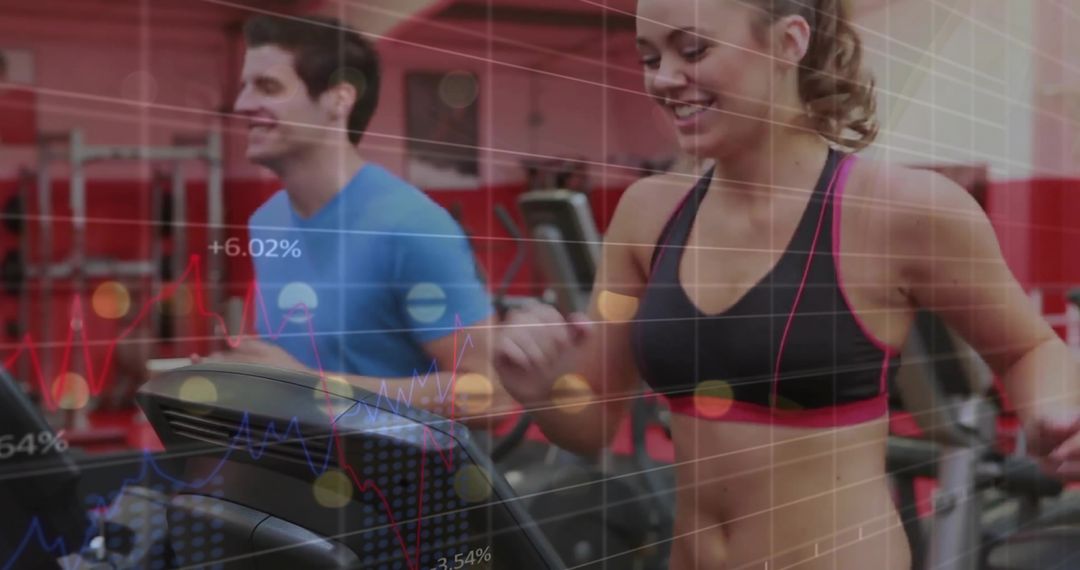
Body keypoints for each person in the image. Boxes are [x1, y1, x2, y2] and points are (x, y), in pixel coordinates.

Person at [494, 1, 1080, 568]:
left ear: (788, 42)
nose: (665, 79)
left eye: (692, 49)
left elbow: (1029, 349)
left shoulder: (904, 211)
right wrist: (540, 382)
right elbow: (591, 424)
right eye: (649, 59)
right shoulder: (647, 215)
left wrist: (1055, 413)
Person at [218, 14, 506, 427]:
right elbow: (292, 370)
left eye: (268, 87)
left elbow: (489, 394)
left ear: (339, 99)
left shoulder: (410, 226)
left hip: (394, 484)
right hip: (300, 475)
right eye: (245, 86)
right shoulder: (267, 221)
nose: (242, 104)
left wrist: (311, 387)